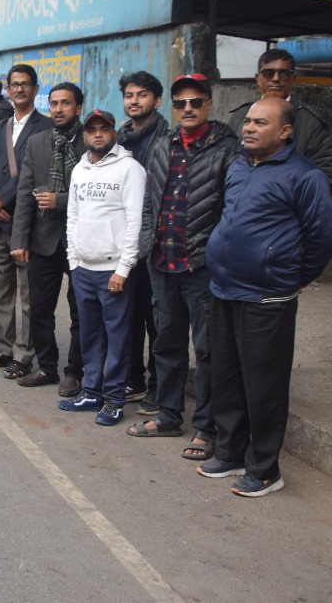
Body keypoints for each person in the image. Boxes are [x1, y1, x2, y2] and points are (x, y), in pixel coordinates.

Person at [200, 97, 332, 497]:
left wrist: (285, 275)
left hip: (267, 297)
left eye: (261, 122)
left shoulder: (304, 176)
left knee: (264, 385)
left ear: (285, 131)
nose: (249, 128)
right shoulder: (239, 165)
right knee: (228, 377)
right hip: (224, 289)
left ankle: (264, 469)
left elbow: (322, 242)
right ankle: (230, 452)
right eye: (247, 121)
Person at [125, 74, 240, 460]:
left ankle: (206, 428)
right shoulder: (162, 146)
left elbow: (233, 210)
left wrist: (217, 254)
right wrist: (144, 246)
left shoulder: (227, 149)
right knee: (167, 344)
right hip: (161, 262)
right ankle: (170, 415)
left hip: (202, 266)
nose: (187, 109)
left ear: (209, 104)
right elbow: (148, 205)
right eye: (180, 103)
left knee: (207, 350)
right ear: (172, 108)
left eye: (195, 102)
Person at [61, 109, 146, 427]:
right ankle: (92, 392)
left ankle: (113, 399)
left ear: (114, 133)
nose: (98, 134)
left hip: (113, 271)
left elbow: (135, 222)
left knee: (117, 335)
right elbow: (73, 217)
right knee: (90, 334)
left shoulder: (130, 170)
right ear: (84, 135)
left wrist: (124, 268)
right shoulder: (80, 170)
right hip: (83, 268)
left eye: (104, 129)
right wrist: (74, 260)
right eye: (92, 130)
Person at [0, 64, 51, 377]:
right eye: (14, 85)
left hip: (27, 222)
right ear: (8, 90)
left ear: (35, 89)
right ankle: (4, 348)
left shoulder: (47, 127)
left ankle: (24, 353)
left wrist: (3, 198)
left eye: (25, 85)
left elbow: (40, 175)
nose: (18, 90)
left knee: (27, 293)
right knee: (0, 290)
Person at [12, 82, 86, 396]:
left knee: (80, 311)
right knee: (40, 309)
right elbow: (25, 194)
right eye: (54, 103)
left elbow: (102, 193)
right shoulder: (38, 142)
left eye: (65, 103)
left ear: (78, 108)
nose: (58, 109)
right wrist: (19, 240)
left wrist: (63, 200)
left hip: (82, 241)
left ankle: (75, 372)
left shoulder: (91, 141)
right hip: (43, 240)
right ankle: (47, 366)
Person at [116, 71, 170, 409]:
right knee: (130, 315)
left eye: (142, 95)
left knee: (159, 320)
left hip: (157, 242)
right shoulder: (118, 138)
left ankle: (159, 386)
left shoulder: (167, 138)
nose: (134, 101)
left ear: (157, 101)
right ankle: (133, 380)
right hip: (125, 242)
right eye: (129, 95)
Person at [227, 48, 332, 196]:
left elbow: (326, 173)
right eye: (268, 73)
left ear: (293, 78)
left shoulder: (311, 121)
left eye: (283, 73)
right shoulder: (240, 114)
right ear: (258, 78)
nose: (276, 78)